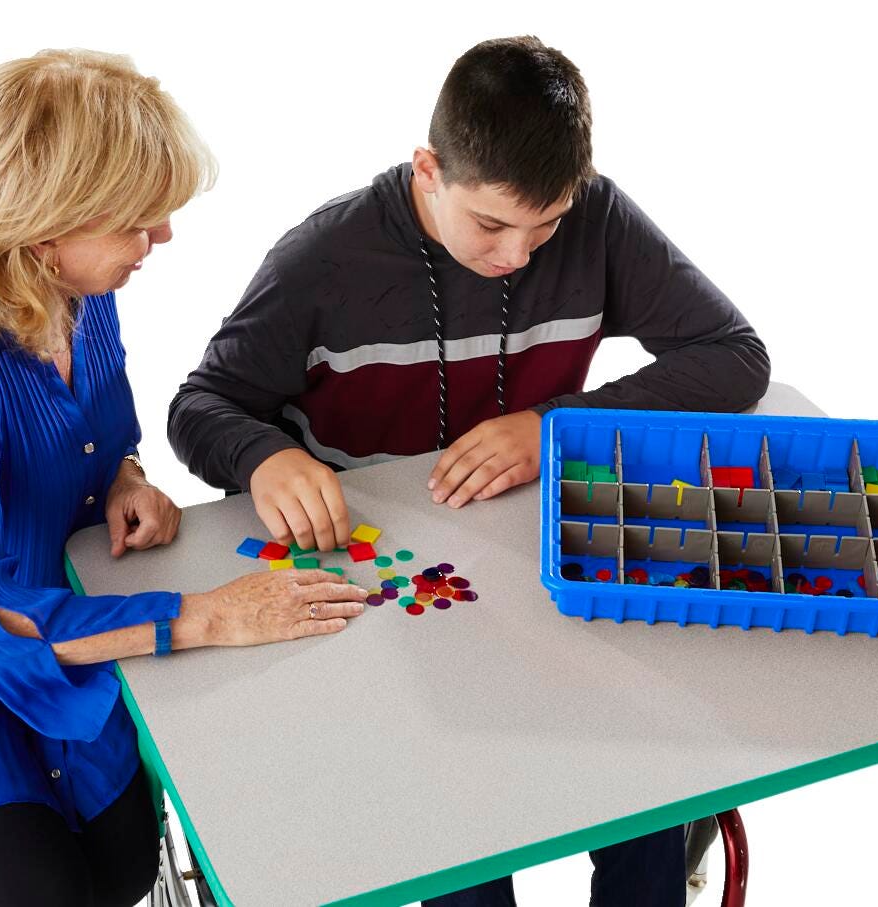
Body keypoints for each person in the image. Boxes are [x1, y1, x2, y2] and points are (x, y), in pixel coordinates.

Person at [168, 36, 770, 907]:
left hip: (532, 554)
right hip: (378, 578)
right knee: (461, 839)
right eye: (490, 224)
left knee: (643, 771)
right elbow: (202, 405)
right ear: (429, 170)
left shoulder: (599, 218)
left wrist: (550, 426)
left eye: (546, 223)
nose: (518, 254)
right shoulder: (323, 258)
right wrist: (264, 455)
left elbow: (732, 355)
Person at [0, 49, 368, 907]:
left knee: (126, 867)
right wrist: (208, 615)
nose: (160, 235)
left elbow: (97, 427)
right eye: (136, 219)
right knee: (50, 893)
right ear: (44, 225)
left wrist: (127, 474)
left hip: (55, 588)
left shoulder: (79, 286)